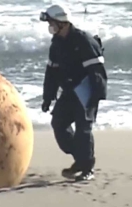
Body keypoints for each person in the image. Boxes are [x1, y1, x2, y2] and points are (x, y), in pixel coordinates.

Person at [39, 4, 108, 181]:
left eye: (53, 23)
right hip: (70, 90)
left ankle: (87, 169)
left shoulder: (84, 41)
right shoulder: (56, 43)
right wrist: (48, 97)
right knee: (58, 124)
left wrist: (96, 97)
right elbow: (52, 72)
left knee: (83, 129)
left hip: (87, 89)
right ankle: (80, 158)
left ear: (63, 23)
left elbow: (97, 72)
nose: (50, 27)